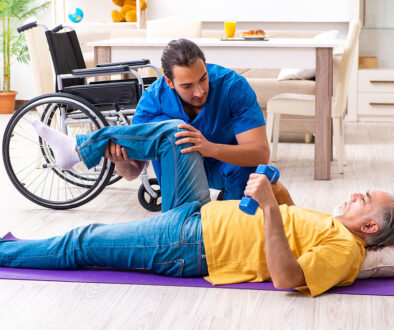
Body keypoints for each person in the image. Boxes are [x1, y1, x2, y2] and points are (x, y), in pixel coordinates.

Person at [1, 118, 393, 297]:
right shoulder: (335, 225)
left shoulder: (345, 251)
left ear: (371, 228)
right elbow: (290, 225)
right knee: (177, 133)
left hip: (190, 243)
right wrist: (279, 190)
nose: (358, 194)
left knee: (82, 242)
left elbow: (287, 278)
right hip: (197, 211)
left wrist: (270, 208)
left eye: (367, 199)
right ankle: (81, 150)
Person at [105, 38, 270, 205]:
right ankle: (180, 215)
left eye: (203, 79)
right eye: (187, 86)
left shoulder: (232, 87)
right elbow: (133, 172)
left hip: (227, 168)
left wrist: (210, 149)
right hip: (179, 173)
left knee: (245, 175)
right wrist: (122, 163)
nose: (199, 92)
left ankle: (231, 209)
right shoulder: (152, 102)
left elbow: (261, 154)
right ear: (169, 82)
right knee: (163, 124)